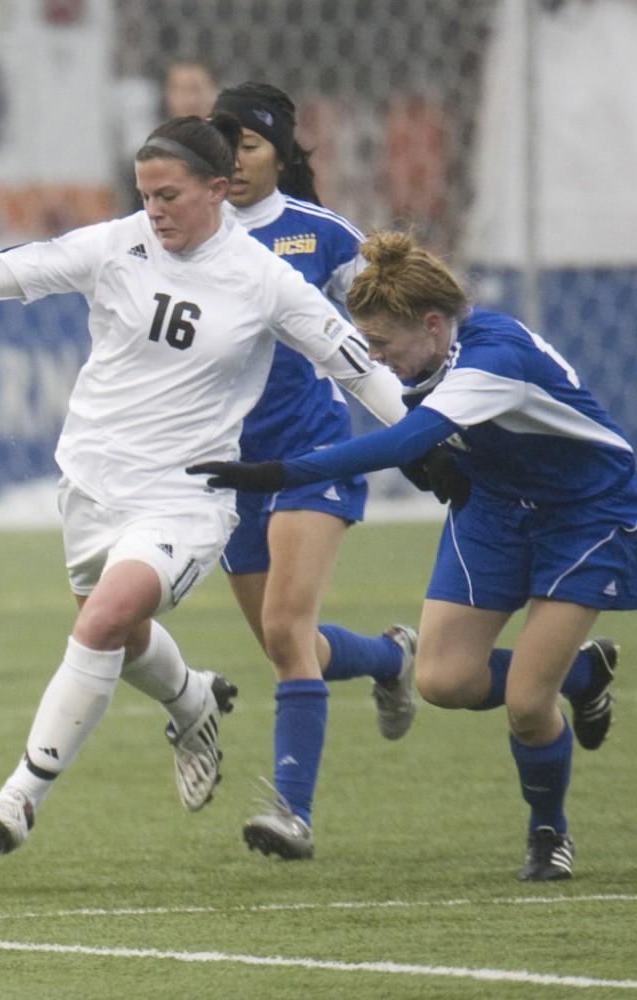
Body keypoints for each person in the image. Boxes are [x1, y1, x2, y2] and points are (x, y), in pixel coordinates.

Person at [0, 114, 407, 858]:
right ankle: (192, 699)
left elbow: (355, 363)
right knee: (125, 637)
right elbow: (0, 274)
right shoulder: (117, 245)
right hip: (90, 485)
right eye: (144, 195)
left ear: (216, 189)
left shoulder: (266, 281)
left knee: (105, 618)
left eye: (169, 195)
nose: (154, 210)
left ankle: (20, 796)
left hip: (186, 497)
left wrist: (431, 441)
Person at [189, 229, 630, 881]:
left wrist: (278, 474)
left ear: (431, 324)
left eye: (382, 346)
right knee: (443, 679)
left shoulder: (492, 358)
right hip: (498, 507)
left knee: (527, 706)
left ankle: (549, 832)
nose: (376, 359)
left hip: (587, 515)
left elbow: (403, 442)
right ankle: (582, 676)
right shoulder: (433, 353)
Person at [208, 82, 433, 862]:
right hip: (227, 469)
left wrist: (425, 398)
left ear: (279, 154)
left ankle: (291, 814)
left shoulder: (321, 236)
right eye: (223, 143)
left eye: (249, 145)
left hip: (310, 454)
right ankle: (389, 657)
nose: (234, 161)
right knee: (287, 645)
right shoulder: (177, 233)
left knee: (283, 628)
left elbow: (394, 311)